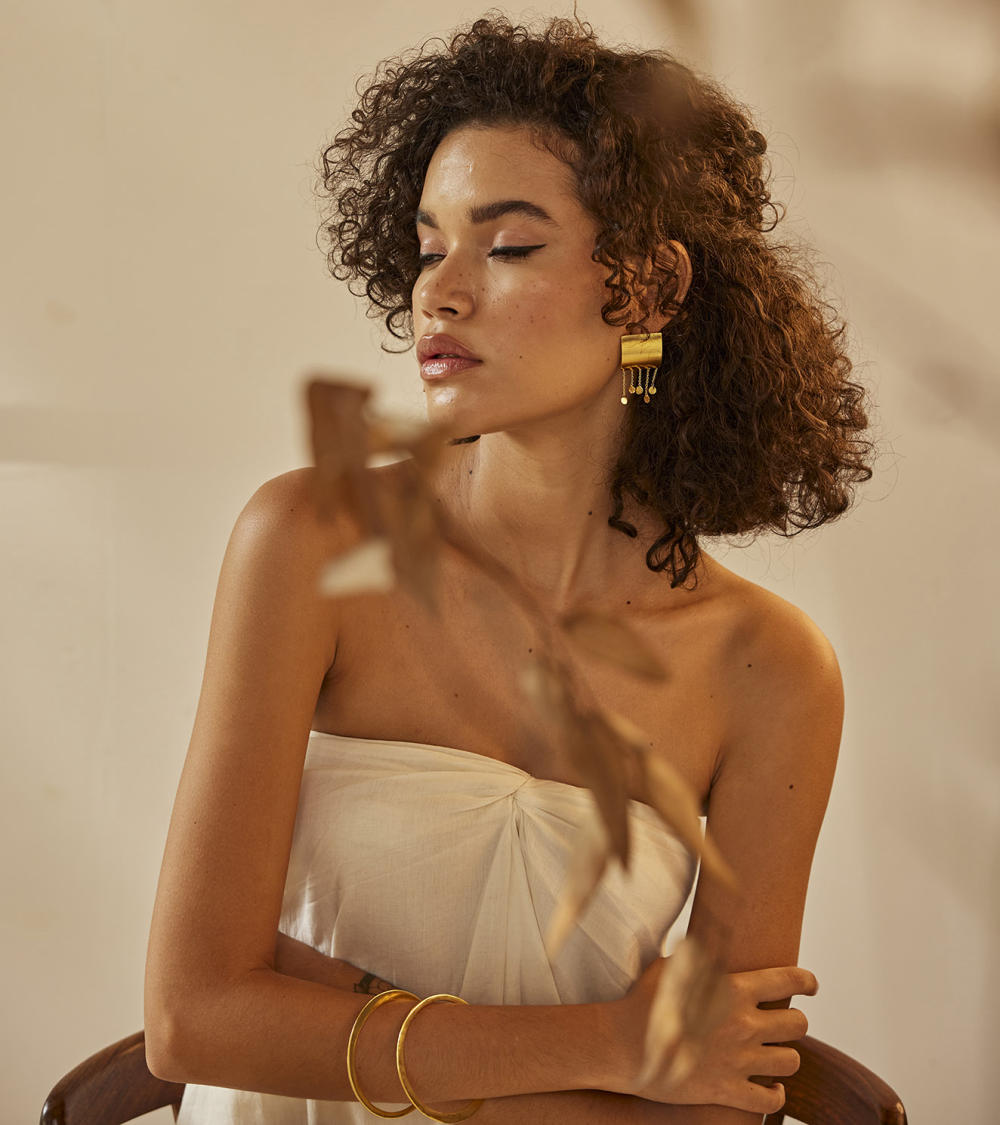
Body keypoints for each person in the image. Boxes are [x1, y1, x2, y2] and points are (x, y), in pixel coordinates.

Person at [144, 11, 874, 1124]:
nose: (438, 293)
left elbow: (721, 1094)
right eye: (428, 245)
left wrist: (326, 1006)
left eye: (509, 247)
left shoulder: (768, 670)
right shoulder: (312, 541)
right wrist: (610, 1047)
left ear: (650, 290)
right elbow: (193, 1017)